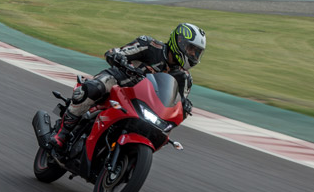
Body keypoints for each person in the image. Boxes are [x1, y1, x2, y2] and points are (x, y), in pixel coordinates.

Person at [49, 22, 206, 150]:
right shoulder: (150, 45)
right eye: (191, 49)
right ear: (179, 42)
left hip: (143, 103)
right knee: (95, 87)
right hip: (119, 83)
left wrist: (185, 107)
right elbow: (115, 52)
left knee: (162, 132)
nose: (193, 55)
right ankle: (62, 133)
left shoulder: (184, 78)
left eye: (197, 52)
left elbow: (176, 105)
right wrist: (118, 57)